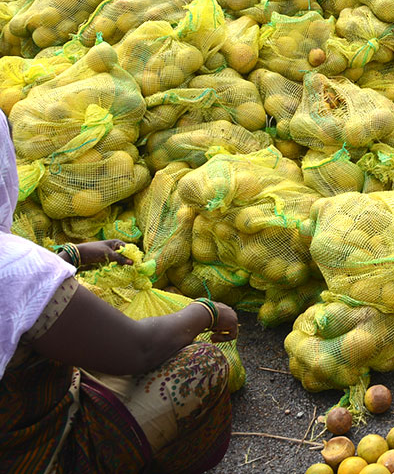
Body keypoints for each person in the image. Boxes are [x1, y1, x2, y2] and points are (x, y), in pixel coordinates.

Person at [0, 113, 238, 473]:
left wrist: (72, 255)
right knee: (203, 366)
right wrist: (206, 312)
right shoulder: (15, 266)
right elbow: (139, 350)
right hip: (32, 458)